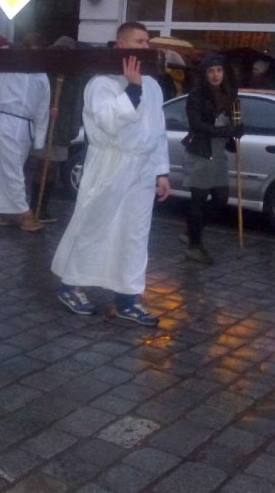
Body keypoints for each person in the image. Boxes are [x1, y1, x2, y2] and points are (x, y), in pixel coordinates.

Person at [51, 21, 169, 326]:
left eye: (147, 42)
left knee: (134, 234)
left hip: (141, 168)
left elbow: (157, 130)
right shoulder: (100, 82)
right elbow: (107, 121)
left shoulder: (153, 85)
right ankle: (70, 284)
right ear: (121, 46)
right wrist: (131, 91)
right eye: (138, 42)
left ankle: (128, 297)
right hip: (110, 163)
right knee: (94, 224)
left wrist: (161, 172)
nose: (145, 47)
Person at [0, 35, 50, 232]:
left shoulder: (41, 76)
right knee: (12, 170)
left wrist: (39, 138)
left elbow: (43, 108)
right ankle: (24, 213)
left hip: (24, 127)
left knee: (4, 169)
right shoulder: (5, 69)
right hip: (4, 122)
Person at [180, 54, 244, 264]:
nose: (216, 75)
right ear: (204, 74)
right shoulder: (196, 96)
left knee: (221, 198)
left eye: (219, 70)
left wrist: (237, 131)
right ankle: (194, 245)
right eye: (211, 71)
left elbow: (234, 122)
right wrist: (225, 130)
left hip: (218, 153)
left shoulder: (230, 96)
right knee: (198, 199)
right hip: (199, 151)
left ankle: (192, 231)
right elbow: (196, 125)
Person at [26, 35, 89, 223]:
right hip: (46, 127)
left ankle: (42, 208)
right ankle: (35, 207)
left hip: (61, 130)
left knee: (52, 168)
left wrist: (72, 126)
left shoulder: (75, 76)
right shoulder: (45, 73)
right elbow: (34, 97)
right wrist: (47, 109)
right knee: (44, 165)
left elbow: (76, 104)